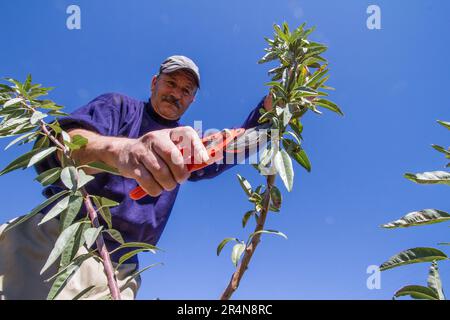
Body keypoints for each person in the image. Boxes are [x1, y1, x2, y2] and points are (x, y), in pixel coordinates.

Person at [0, 55, 273, 300]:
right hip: (55, 241)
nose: (176, 93)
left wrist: (274, 107)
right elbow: (60, 147)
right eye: (171, 83)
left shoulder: (186, 144)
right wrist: (119, 151)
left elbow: (233, 145)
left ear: (192, 100)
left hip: (121, 268)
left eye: (185, 90)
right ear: (154, 82)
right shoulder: (118, 106)